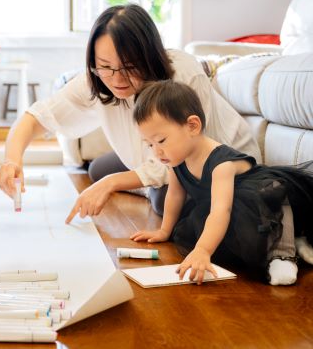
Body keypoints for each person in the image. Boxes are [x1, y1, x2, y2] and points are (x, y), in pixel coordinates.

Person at [0, 4, 261, 220]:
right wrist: (11, 161)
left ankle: (146, 185)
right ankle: (141, 180)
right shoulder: (96, 78)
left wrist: (112, 183)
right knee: (99, 169)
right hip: (159, 156)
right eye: (105, 66)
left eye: (130, 66)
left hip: (207, 164)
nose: (117, 78)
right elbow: (36, 117)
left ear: (150, 55)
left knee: (163, 200)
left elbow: (191, 154)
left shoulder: (182, 73)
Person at [130, 81, 313, 285]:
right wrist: (164, 231)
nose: (156, 151)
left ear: (192, 126)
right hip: (230, 209)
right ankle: (286, 242)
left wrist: (202, 250)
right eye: (150, 144)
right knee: (230, 236)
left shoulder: (221, 163)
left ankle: (284, 252)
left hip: (258, 195)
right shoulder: (177, 161)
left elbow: (220, 211)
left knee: (275, 197)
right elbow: (175, 194)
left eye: (161, 141)